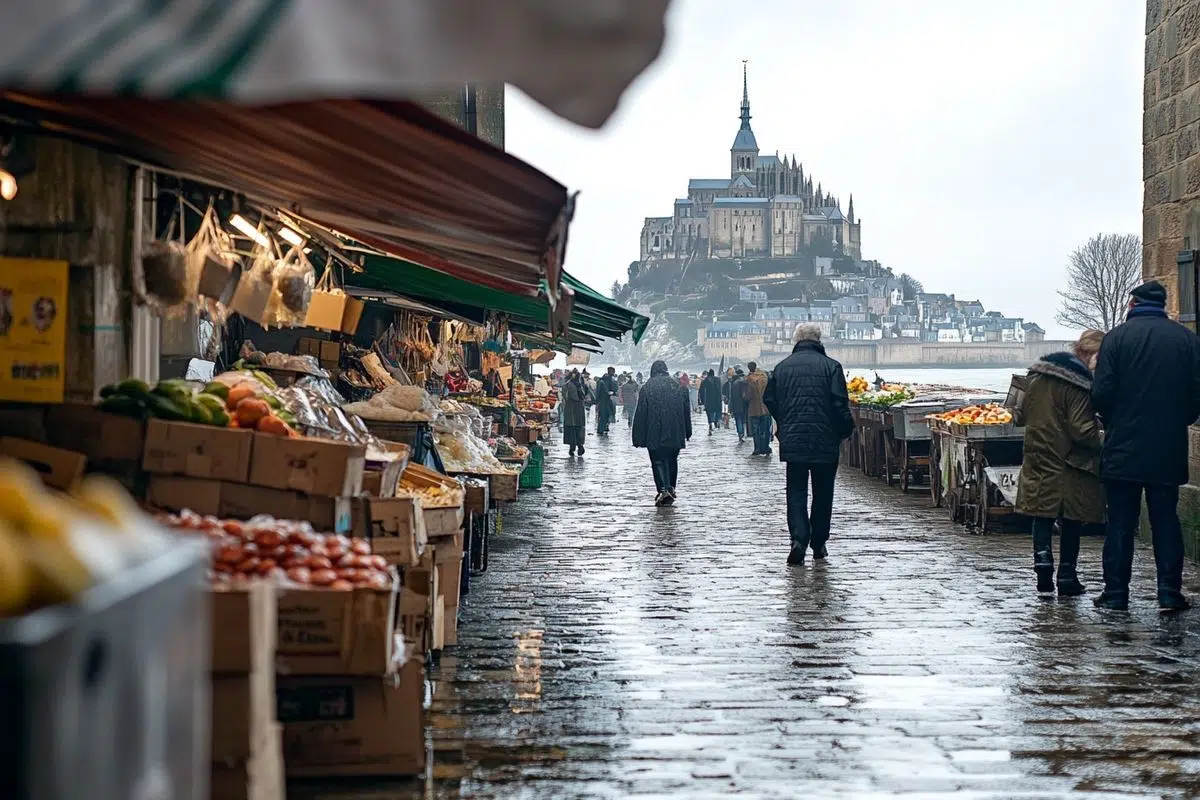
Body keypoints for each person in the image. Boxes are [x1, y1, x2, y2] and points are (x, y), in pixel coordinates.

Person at [1091, 280, 1200, 611]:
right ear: (1163, 305)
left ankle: (1116, 594)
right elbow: (1196, 396)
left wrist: (1113, 422)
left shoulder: (1116, 340)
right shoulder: (1186, 340)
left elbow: (1102, 394)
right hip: (1166, 445)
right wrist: (1177, 420)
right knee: (1166, 518)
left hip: (1123, 444)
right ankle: (1169, 591)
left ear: (1132, 305)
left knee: (1121, 522)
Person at [1013, 330, 1105, 596]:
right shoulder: (1077, 384)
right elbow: (1082, 430)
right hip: (1069, 461)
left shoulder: (1035, 376)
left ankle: (1042, 568)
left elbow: (1019, 415)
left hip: (1038, 455)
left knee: (1041, 515)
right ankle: (1066, 575)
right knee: (1071, 518)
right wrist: (1109, 438)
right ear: (1088, 354)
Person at [763, 324, 855, 565]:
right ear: (819, 339)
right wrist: (845, 430)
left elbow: (770, 398)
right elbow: (839, 404)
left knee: (796, 492)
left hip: (794, 439)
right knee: (824, 493)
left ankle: (799, 539)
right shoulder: (832, 367)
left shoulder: (782, 368)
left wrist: (784, 421)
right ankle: (819, 542)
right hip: (825, 439)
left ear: (797, 340)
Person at [632, 360, 692, 505]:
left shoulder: (647, 388)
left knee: (657, 459)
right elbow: (686, 412)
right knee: (672, 459)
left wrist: (638, 436)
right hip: (675, 430)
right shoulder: (677, 386)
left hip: (655, 430)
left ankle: (663, 489)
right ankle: (671, 487)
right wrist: (687, 431)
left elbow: (641, 413)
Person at [561, 369, 592, 457]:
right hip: (579, 408)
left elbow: (565, 394)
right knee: (579, 427)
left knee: (571, 427)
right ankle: (580, 445)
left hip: (570, 408)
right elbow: (585, 394)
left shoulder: (568, 385)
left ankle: (572, 447)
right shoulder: (582, 385)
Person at [745, 361, 771, 455]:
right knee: (765, 429)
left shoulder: (749, 379)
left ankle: (757, 448)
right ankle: (766, 447)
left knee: (756, 430)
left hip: (754, 408)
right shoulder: (764, 378)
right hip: (766, 408)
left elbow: (748, 396)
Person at [595, 366, 619, 436]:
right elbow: (614, 389)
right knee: (605, 415)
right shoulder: (608, 380)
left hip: (605, 400)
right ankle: (601, 429)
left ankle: (603, 428)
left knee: (605, 414)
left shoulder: (602, 380)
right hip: (606, 400)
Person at [699, 369, 723, 434]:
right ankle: (716, 421)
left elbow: (701, 391)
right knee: (717, 411)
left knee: (709, 413)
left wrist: (702, 401)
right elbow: (720, 389)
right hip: (717, 399)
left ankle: (710, 423)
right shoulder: (718, 380)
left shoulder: (705, 381)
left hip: (708, 400)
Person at [729, 367, 748, 442]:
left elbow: (732, 396)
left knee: (738, 420)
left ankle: (740, 434)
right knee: (743, 420)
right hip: (744, 404)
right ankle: (743, 433)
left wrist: (730, 407)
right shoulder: (745, 382)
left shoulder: (734, 383)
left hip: (736, 405)